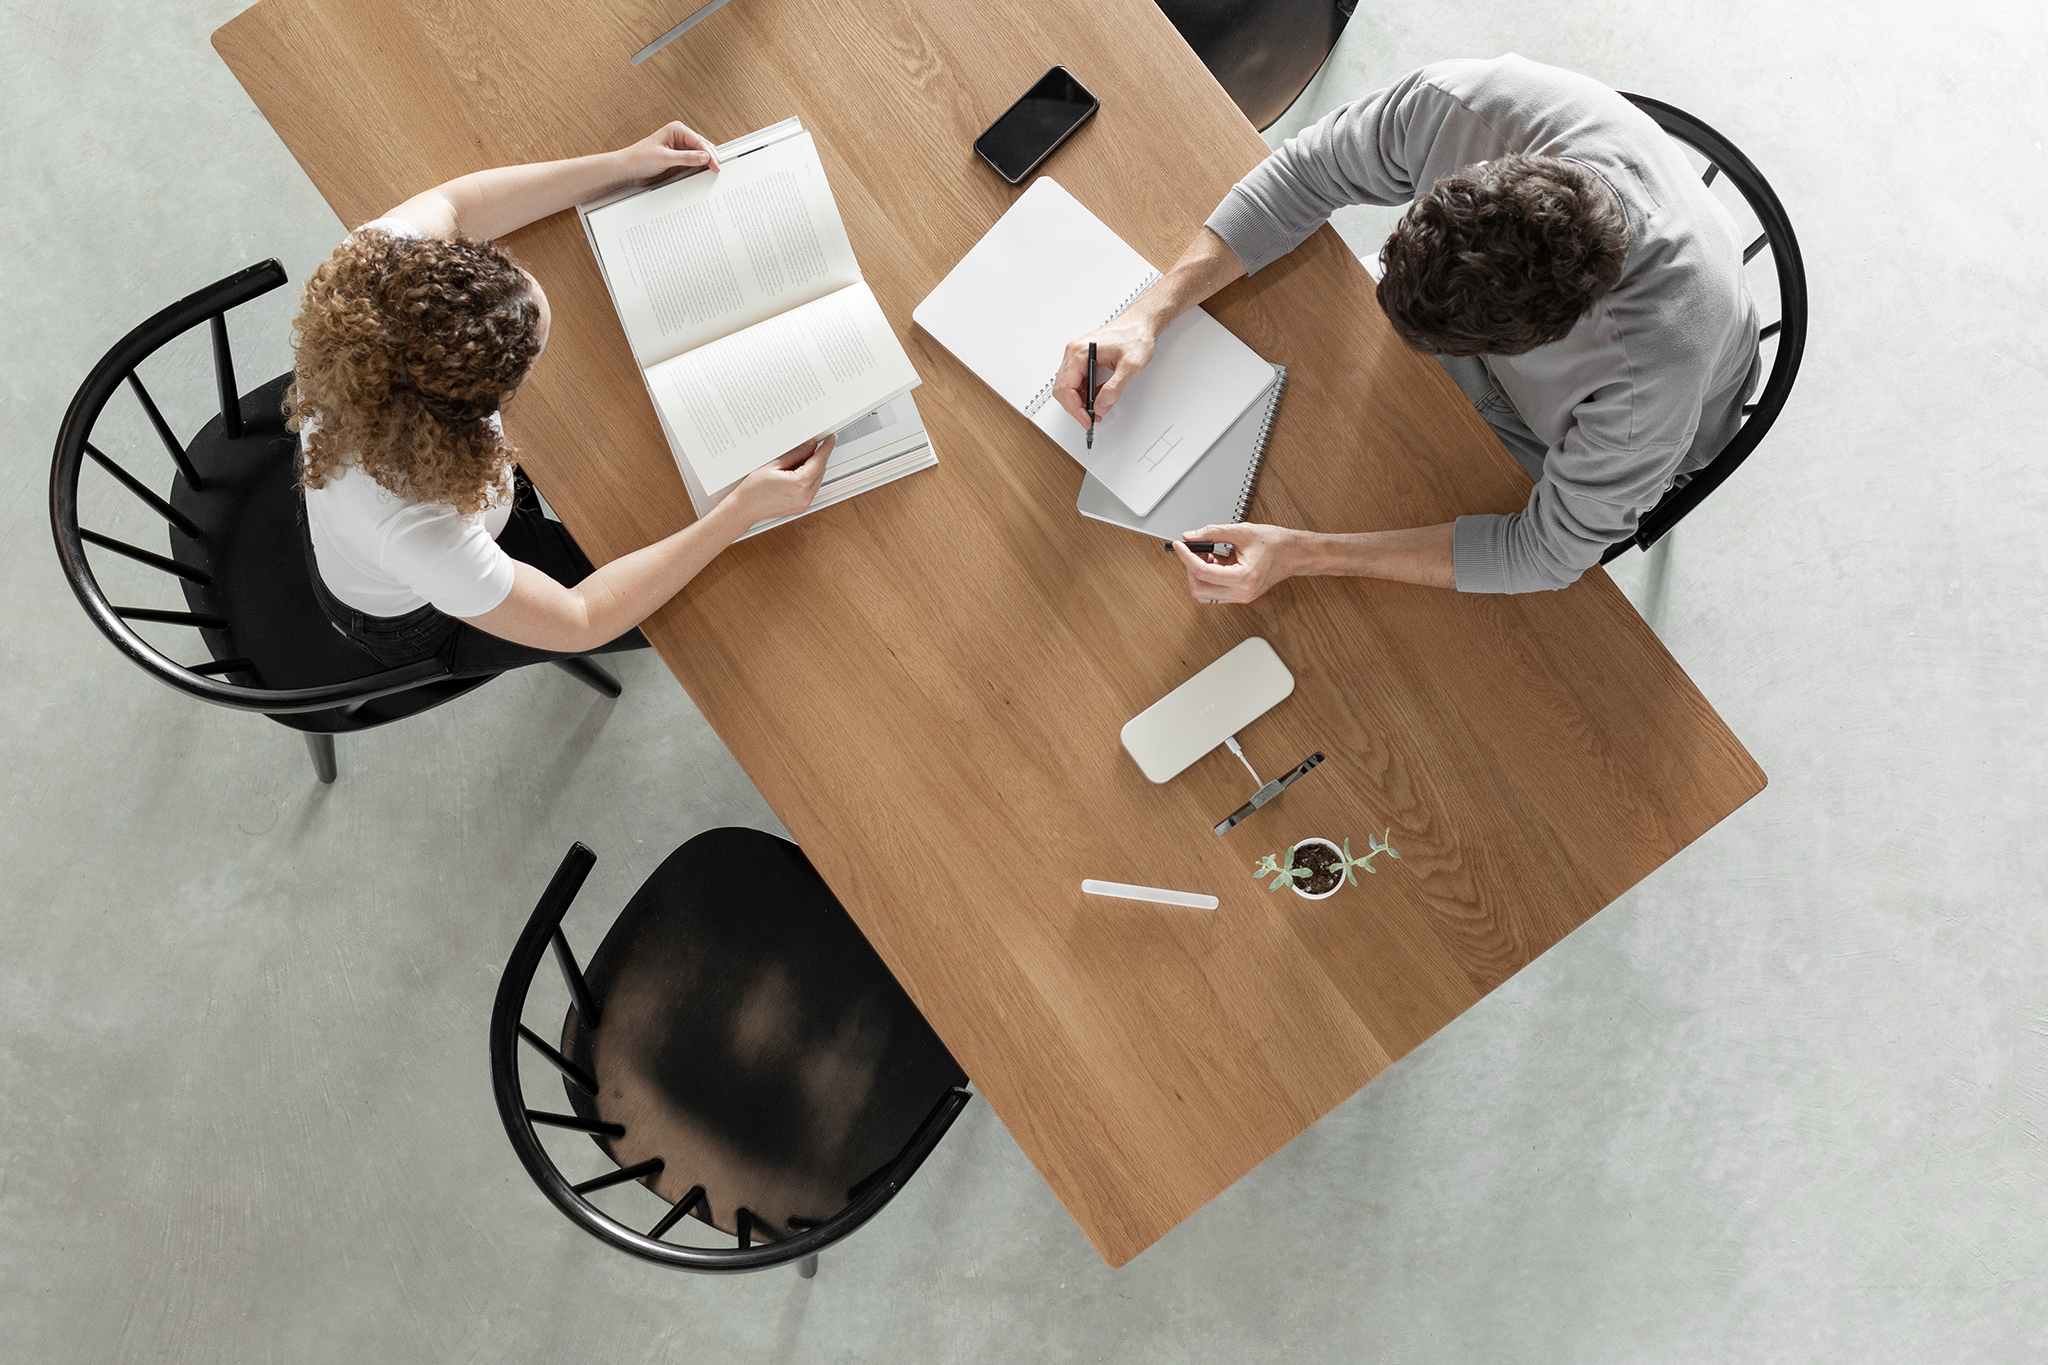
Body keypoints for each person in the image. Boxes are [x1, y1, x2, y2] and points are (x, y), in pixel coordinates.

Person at [1055, 56, 1762, 603]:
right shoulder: (1465, 104)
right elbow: (1305, 175)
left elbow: (1543, 553)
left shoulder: (1645, 386)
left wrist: (1306, 553)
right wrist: (1148, 312)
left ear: (1537, 341)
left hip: (1565, 439)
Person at [288, 121, 833, 675]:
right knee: (695, 614)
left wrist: (620, 167)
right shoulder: (422, 532)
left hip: (368, 499)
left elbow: (453, 206)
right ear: (481, 405)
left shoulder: (375, 282)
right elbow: (582, 618)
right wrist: (740, 508)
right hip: (417, 614)